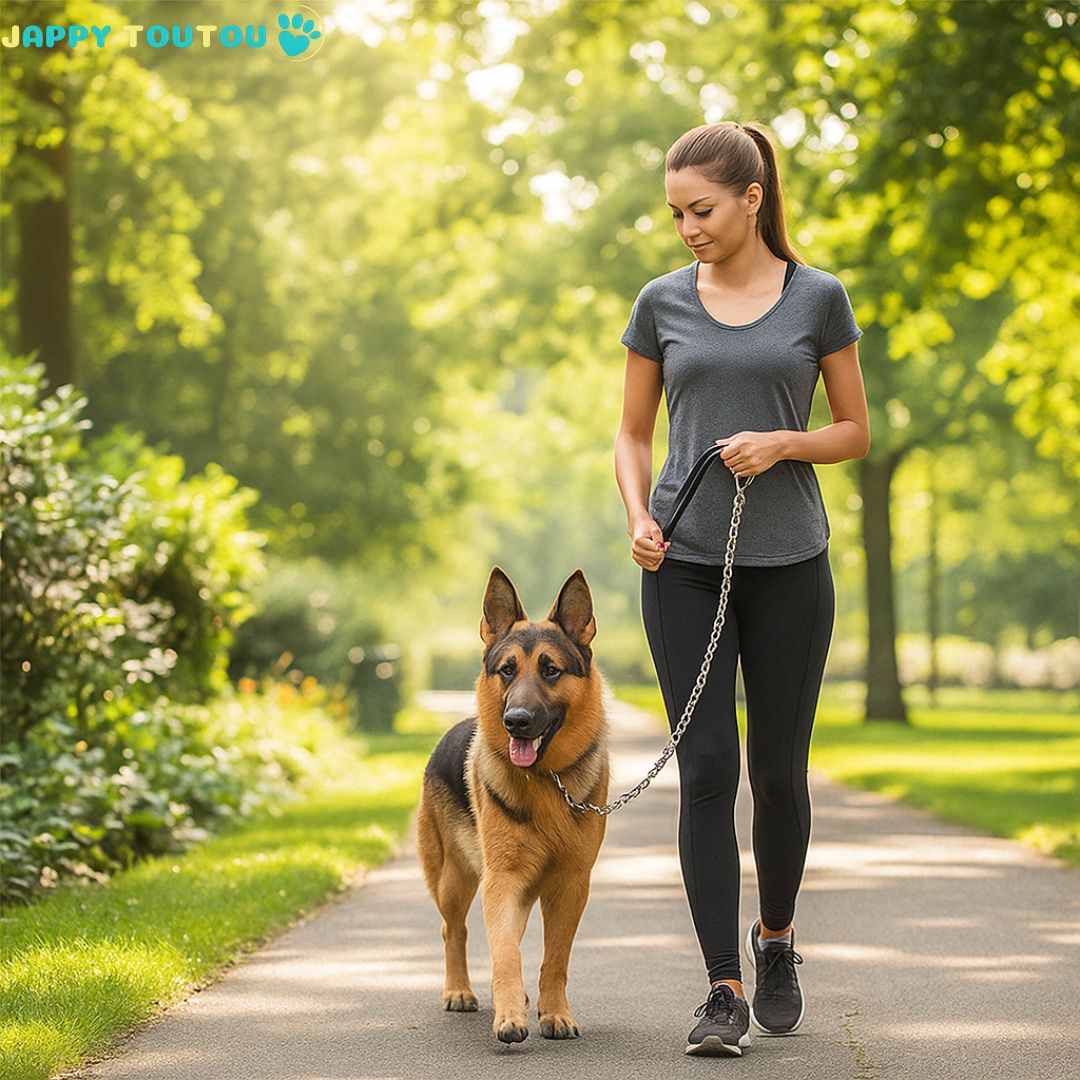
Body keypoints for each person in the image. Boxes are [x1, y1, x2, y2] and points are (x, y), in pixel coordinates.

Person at [614, 120, 871, 1057]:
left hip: (790, 567)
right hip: (681, 565)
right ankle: (721, 987)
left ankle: (777, 943)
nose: (687, 227)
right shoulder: (660, 303)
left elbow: (853, 430)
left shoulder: (818, 298)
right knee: (707, 772)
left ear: (752, 198)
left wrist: (781, 443)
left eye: (703, 209)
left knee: (777, 776)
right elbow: (633, 433)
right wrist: (639, 514)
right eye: (676, 212)